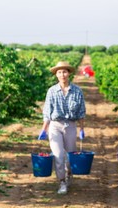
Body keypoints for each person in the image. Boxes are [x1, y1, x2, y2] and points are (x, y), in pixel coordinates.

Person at [37, 61, 86, 195]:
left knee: (70, 155)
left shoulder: (77, 91)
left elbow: (81, 111)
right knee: (58, 155)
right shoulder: (52, 91)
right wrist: (44, 129)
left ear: (69, 73)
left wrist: (81, 129)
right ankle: (62, 182)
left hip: (70, 125)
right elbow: (47, 112)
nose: (62, 74)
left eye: (64, 71)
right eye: (59, 72)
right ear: (56, 75)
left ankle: (69, 174)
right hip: (55, 125)